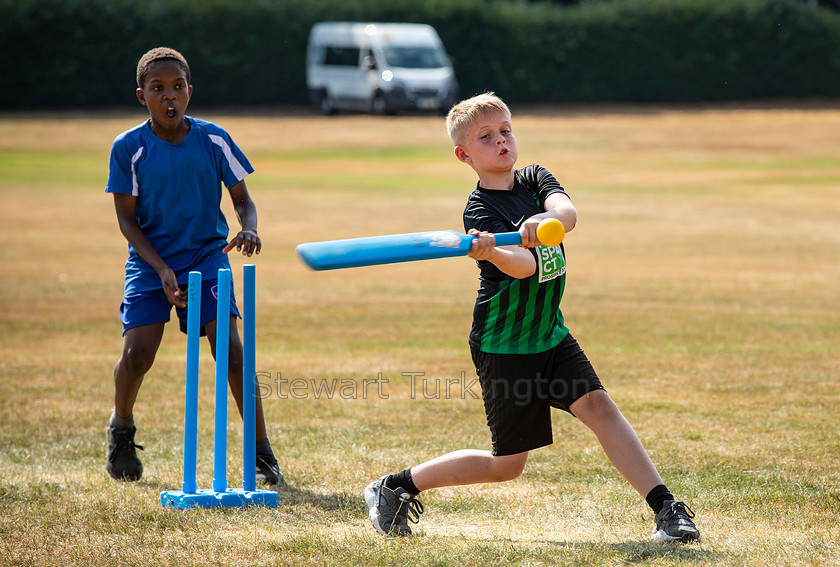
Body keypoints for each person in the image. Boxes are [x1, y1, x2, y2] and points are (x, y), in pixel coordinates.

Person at [364, 93, 699, 542]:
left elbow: (568, 213)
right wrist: (495, 249)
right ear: (464, 154)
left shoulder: (534, 178)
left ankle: (667, 509)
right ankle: (395, 487)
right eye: (486, 137)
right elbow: (525, 269)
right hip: (504, 344)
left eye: (505, 130)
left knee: (599, 406)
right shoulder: (479, 213)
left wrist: (545, 222)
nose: (501, 141)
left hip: (550, 332)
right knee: (508, 466)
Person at [105, 47, 281, 486]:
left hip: (206, 255)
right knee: (137, 354)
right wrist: (162, 269)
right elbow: (127, 220)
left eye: (178, 88)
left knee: (231, 351)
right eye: (158, 89)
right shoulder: (128, 147)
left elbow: (243, 200)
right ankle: (121, 427)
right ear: (141, 95)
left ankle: (261, 452)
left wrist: (250, 228)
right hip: (150, 262)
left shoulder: (213, 138)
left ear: (190, 92)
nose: (170, 97)